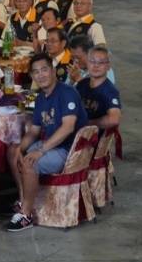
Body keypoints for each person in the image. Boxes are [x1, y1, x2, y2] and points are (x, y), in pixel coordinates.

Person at [6, 53, 89, 232]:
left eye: (44, 70)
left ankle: (26, 215)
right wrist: (20, 147)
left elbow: (68, 128)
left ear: (53, 71)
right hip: (50, 144)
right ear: (32, 77)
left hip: (68, 150)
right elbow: (35, 131)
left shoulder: (67, 93)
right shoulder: (41, 98)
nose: (41, 75)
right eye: (36, 72)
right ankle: (23, 200)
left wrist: (40, 151)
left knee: (30, 163)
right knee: (13, 151)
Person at [76, 45, 122, 130]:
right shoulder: (81, 85)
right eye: (92, 61)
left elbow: (114, 119)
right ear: (87, 63)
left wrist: (88, 124)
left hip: (90, 139)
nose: (96, 65)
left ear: (108, 66)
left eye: (101, 62)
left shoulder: (110, 91)